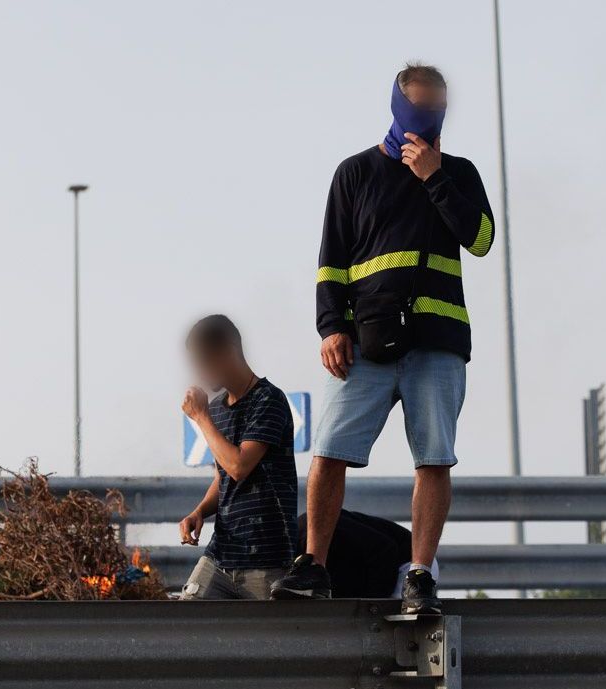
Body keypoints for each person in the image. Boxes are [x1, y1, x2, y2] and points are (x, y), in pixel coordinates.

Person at [271, 63, 493, 613]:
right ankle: (313, 568)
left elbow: (482, 239)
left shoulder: (460, 173)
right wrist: (331, 328)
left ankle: (419, 575)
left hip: (437, 345)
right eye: (419, 109)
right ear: (397, 107)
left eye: (437, 110)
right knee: (328, 452)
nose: (428, 120)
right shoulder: (355, 172)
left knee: (434, 459)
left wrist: (434, 178)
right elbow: (332, 262)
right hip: (365, 346)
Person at [177, 315, 298, 600]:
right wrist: (199, 511)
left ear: (228, 353)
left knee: (265, 643)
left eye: (205, 362)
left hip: (266, 557)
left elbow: (239, 465)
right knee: (183, 627)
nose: (201, 374)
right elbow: (224, 475)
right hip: (221, 554)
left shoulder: (269, 400)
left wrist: (201, 417)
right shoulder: (217, 408)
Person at [295, 510, 439, 599]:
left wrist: (371, 605)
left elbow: (386, 550)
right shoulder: (300, 545)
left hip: (409, 562)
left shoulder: (312, 531)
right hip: (374, 567)